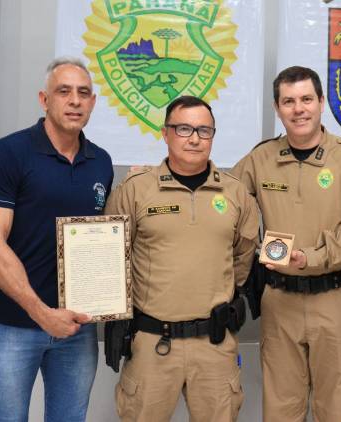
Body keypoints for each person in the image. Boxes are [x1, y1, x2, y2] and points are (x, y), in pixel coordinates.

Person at [232, 66, 341, 422]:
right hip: (279, 302)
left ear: (321, 103)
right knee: (281, 411)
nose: (298, 109)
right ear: (277, 108)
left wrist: (310, 258)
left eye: (306, 99)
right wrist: (155, 172)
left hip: (336, 301)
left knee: (337, 410)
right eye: (289, 101)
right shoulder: (260, 158)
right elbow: (221, 199)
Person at [104, 95, 259, 422]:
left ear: (213, 136)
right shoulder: (135, 190)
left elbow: (242, 260)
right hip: (152, 344)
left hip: (215, 346)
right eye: (184, 128)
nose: (194, 138)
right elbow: (111, 259)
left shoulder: (235, 194)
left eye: (204, 131)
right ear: (165, 133)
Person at [0, 57, 113, 421]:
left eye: (83, 93)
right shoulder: (5, 154)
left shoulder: (100, 162)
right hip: (11, 327)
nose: (74, 101)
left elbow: (98, 243)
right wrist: (42, 313)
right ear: (44, 99)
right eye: (64, 91)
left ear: (93, 102)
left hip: (76, 329)